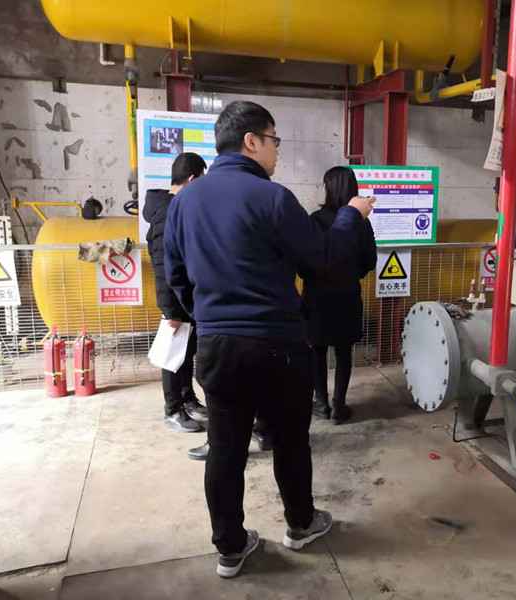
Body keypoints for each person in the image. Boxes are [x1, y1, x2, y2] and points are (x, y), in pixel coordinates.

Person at [164, 100, 375, 578]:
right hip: (278, 344)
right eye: (274, 140)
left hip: (217, 346)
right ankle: (301, 524)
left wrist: (211, 318)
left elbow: (175, 277)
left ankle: (230, 548)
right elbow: (324, 260)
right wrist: (351, 215)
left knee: (226, 448)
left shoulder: (184, 204)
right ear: (251, 141)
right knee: (290, 441)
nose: (277, 151)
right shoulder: (272, 198)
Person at [302, 167, 377, 424]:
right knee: (344, 352)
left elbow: (305, 261)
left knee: (317, 351)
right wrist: (350, 274)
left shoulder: (314, 220)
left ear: (328, 188)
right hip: (347, 296)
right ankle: (339, 406)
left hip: (317, 298)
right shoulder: (361, 222)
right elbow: (370, 261)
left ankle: (321, 403)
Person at [144, 153, 208, 437]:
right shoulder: (167, 213)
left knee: (186, 353)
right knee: (173, 357)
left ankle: (187, 399)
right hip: (176, 301)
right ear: (192, 179)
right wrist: (170, 310)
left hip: (188, 298)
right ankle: (173, 410)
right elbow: (162, 266)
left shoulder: (178, 208)